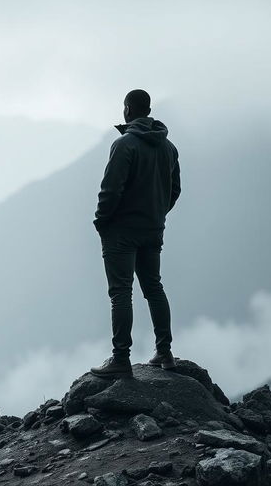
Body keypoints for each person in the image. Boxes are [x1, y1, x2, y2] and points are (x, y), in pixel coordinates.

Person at [90, 89, 181, 378]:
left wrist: (102, 221)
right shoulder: (169, 148)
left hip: (122, 232)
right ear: (148, 109)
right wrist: (158, 214)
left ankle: (120, 359)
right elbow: (175, 189)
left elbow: (110, 189)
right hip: (153, 230)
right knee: (154, 287)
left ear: (128, 109)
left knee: (121, 293)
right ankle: (164, 353)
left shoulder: (124, 145)